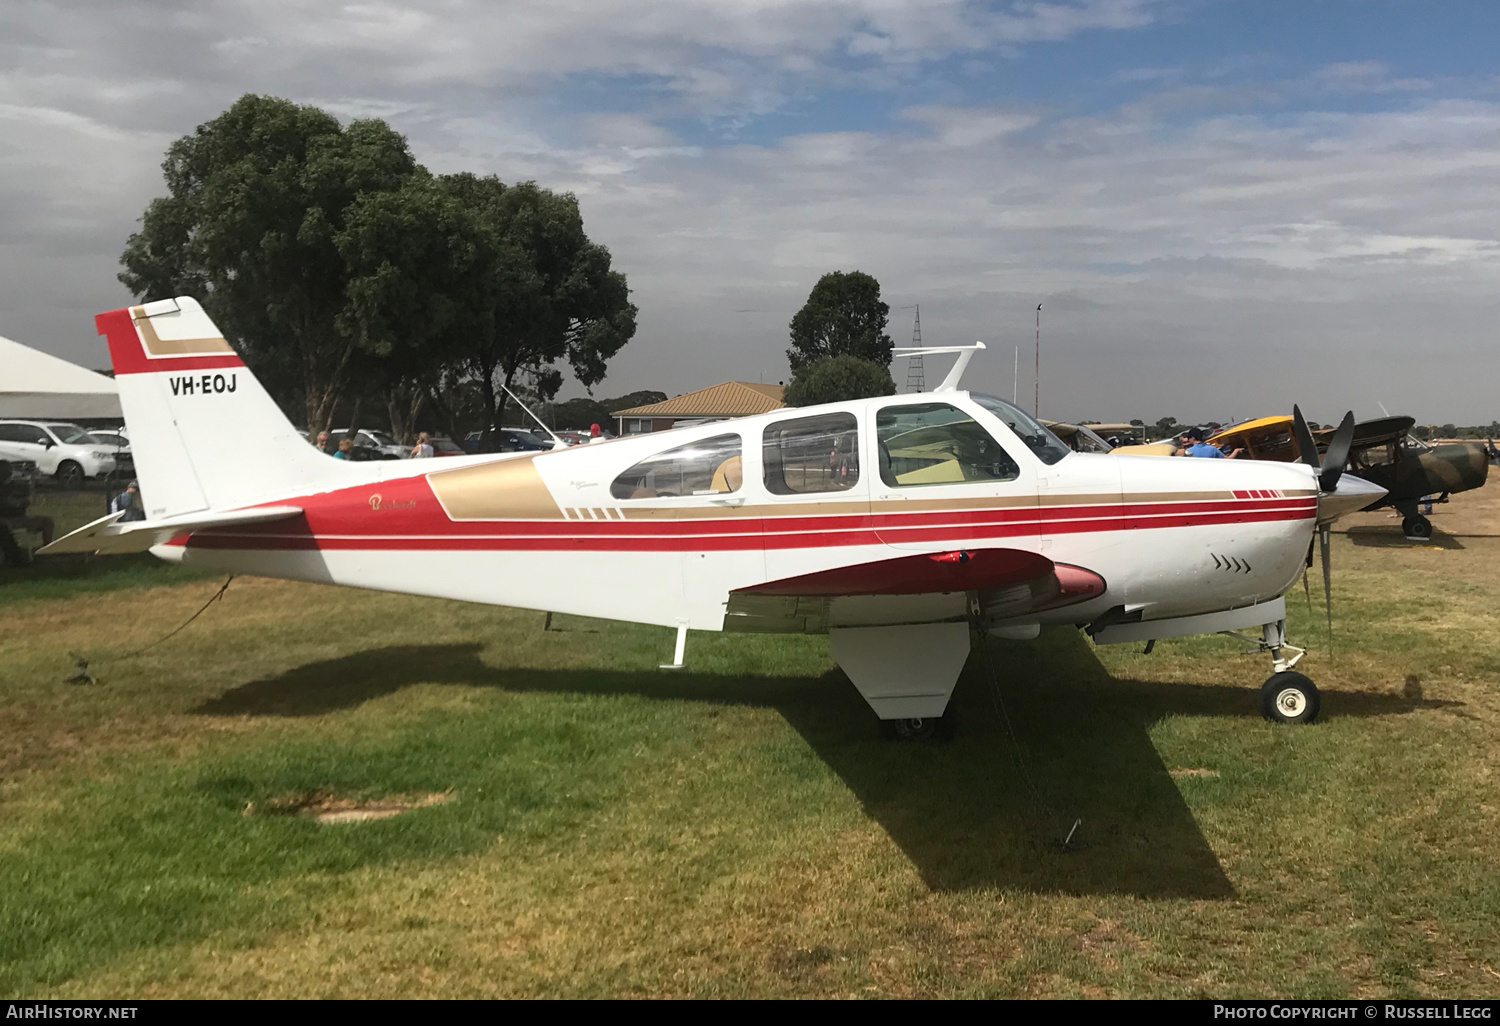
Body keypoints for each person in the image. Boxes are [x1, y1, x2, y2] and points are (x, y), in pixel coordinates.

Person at [1176, 428, 1242, 459]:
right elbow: (1228, 459)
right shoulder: (1212, 449)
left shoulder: (1188, 452)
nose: (1188, 440)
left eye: (1189, 438)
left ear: (1193, 438)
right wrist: (1236, 450)